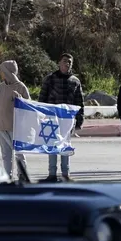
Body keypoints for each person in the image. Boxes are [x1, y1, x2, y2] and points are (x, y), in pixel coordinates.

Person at [38, 53, 85, 183]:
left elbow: (79, 102)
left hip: (68, 120)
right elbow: (42, 98)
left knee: (65, 146)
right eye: (65, 61)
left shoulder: (75, 81)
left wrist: (79, 120)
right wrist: (40, 116)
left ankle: (65, 174)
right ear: (59, 63)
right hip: (51, 119)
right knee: (52, 146)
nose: (67, 64)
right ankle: (52, 174)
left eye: (70, 62)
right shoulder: (50, 79)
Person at [0, 60, 30, 178]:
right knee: (6, 155)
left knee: (19, 155)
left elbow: (30, 107)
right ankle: (7, 177)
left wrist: (20, 98)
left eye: (2, 71)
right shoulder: (0, 88)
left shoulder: (21, 87)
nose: (0, 73)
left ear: (8, 72)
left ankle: (22, 175)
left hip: (16, 128)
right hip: (1, 127)